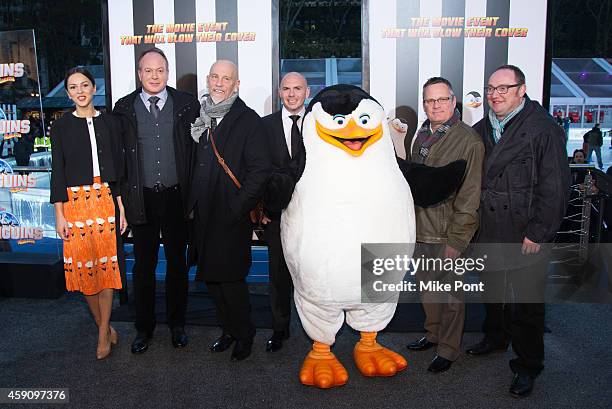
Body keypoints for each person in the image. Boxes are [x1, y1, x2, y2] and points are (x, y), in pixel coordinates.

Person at [468, 65, 570, 397]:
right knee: (492, 291)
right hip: (490, 227)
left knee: (526, 304)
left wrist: (538, 233)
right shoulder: (483, 128)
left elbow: (556, 187)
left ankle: (528, 365)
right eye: (491, 88)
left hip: (525, 232)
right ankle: (495, 338)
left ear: (521, 90)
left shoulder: (543, 129)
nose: (495, 94)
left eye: (503, 88)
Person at [112, 48, 200, 354]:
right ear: (139, 73)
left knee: (178, 265)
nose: (154, 76)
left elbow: (198, 151)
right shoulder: (123, 107)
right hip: (142, 197)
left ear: (167, 72)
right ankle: (144, 328)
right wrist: (121, 196)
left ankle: (177, 325)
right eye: (148, 70)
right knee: (144, 267)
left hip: (177, 196)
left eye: (160, 70)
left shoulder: (187, 105)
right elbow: (119, 159)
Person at [188, 60, 271, 361]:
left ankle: (244, 334)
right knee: (212, 278)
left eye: (227, 78)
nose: (219, 83)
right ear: (208, 80)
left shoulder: (248, 120)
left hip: (231, 216)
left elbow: (260, 172)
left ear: (237, 84)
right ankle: (228, 330)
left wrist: (236, 209)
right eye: (215, 77)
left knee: (232, 280)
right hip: (203, 214)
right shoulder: (202, 117)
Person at [405, 77, 484, 373]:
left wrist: (457, 241)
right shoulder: (422, 134)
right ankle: (434, 333)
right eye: (429, 100)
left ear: (453, 102)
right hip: (421, 229)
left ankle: (449, 349)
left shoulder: (468, 140)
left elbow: (470, 196)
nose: (435, 105)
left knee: (452, 295)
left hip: (449, 231)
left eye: (441, 100)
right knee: (427, 288)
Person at [50, 66, 127, 360]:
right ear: (68, 93)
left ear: (94, 89)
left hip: (105, 199)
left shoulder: (109, 122)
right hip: (75, 203)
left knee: (107, 270)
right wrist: (59, 214)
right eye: (73, 87)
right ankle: (103, 326)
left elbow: (117, 170)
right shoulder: (60, 127)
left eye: (85, 85)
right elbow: (58, 171)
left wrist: (120, 207)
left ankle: (102, 331)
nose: (80, 91)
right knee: (85, 273)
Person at [261, 72, 310, 352]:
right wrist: (264, 206)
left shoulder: (320, 126)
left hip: (311, 214)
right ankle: (280, 329)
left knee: (310, 274)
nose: (292, 94)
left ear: (307, 91)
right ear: (280, 92)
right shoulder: (264, 126)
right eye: (286, 89)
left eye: (297, 89)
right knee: (278, 274)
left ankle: (315, 327)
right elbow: (258, 170)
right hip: (276, 214)